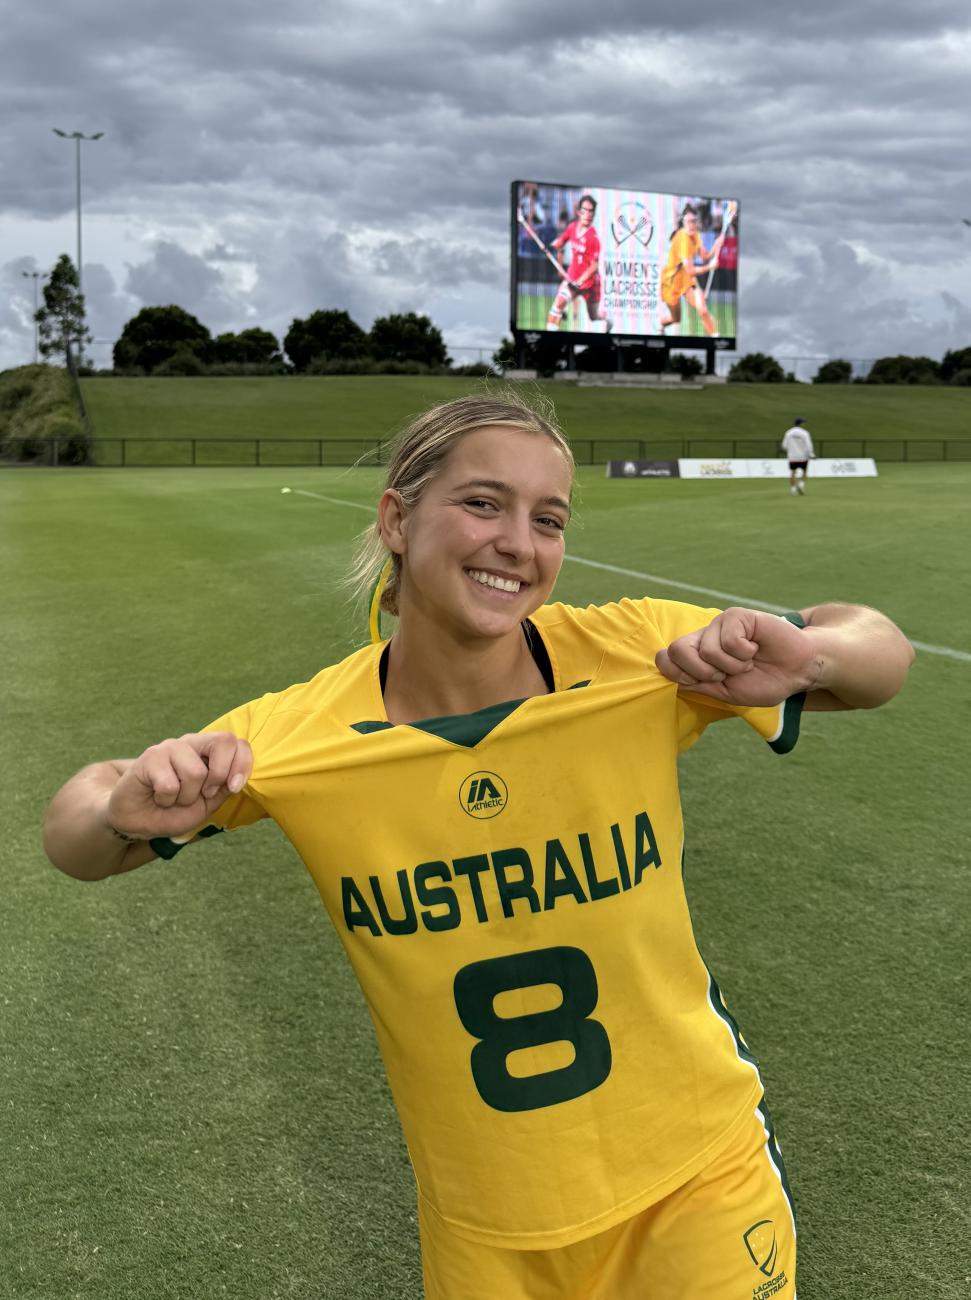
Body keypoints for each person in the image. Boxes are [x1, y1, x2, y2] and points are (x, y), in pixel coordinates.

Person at [43, 394, 913, 1300]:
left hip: (695, 1179)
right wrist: (127, 803)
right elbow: (78, 836)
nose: (517, 544)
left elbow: (876, 650)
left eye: (548, 520)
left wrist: (806, 655)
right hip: (485, 1226)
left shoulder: (642, 659)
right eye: (483, 504)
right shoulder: (297, 739)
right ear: (395, 518)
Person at [546, 195, 611, 333]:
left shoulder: (593, 239)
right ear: (578, 212)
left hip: (590, 284)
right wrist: (554, 246)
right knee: (557, 307)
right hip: (572, 278)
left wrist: (579, 281)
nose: (588, 215)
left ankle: (608, 319)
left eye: (591, 211)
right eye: (585, 210)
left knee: (594, 316)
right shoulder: (572, 228)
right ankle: (549, 345)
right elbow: (561, 242)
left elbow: (594, 267)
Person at [660, 204, 726, 336]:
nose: (692, 224)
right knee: (676, 319)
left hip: (688, 281)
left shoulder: (695, 234)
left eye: (694, 221)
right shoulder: (682, 239)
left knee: (703, 311)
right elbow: (690, 270)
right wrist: (710, 267)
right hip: (671, 282)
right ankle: (660, 325)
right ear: (683, 222)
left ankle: (716, 338)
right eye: (688, 222)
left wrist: (717, 245)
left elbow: (705, 256)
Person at [781, 417, 815, 495]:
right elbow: (808, 445)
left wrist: (791, 449)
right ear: (801, 424)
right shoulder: (805, 433)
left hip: (792, 456)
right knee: (804, 471)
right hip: (803, 456)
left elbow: (784, 445)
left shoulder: (788, 433)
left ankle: (793, 490)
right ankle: (801, 484)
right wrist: (811, 454)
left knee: (793, 472)